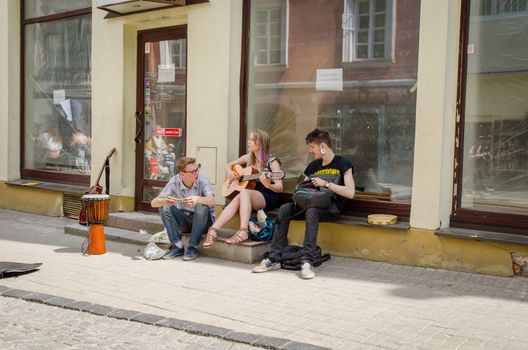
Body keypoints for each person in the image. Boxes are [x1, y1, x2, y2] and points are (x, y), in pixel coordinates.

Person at [252, 128, 355, 279]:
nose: (310, 150)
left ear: (323, 147)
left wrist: (326, 184)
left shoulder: (343, 163)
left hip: (330, 208)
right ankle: (273, 258)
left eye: (312, 147)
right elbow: (299, 189)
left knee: (312, 212)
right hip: (308, 204)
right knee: (285, 209)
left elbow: (350, 192)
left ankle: (307, 261)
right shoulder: (313, 165)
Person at [203, 129, 284, 247]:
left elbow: (279, 187)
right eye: (249, 139)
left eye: (252, 140)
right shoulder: (248, 158)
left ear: (260, 143)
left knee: (244, 192)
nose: (248, 142)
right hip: (249, 195)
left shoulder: (272, 162)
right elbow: (228, 165)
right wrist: (230, 173)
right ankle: (214, 229)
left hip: (267, 196)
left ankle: (243, 231)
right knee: (241, 195)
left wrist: (268, 184)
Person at [151, 156, 216, 260]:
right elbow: (153, 203)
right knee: (164, 206)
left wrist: (198, 199)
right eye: (193, 172)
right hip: (185, 221)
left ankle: (192, 247)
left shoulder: (203, 178)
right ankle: (177, 245)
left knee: (201, 205)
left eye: (197, 169)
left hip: (204, 222)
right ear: (182, 174)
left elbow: (212, 201)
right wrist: (165, 201)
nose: (196, 173)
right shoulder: (174, 181)